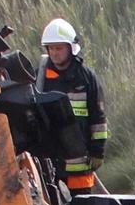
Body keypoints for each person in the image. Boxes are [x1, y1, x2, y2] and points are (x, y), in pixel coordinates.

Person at [37, 18, 106, 193]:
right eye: (51, 48)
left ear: (70, 48)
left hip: (79, 163)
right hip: (50, 163)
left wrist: (97, 152)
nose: (54, 53)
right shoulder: (40, 78)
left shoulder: (86, 77)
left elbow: (98, 119)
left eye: (59, 48)